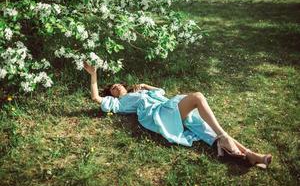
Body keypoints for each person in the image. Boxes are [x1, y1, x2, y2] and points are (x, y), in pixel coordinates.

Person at [84, 62, 272, 169]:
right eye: (113, 88)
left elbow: (160, 91)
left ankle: (250, 155)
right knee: (197, 97)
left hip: (167, 108)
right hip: (159, 115)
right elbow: (96, 97)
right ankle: (223, 138)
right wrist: (93, 74)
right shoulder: (119, 103)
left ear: (125, 85)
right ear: (113, 94)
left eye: (118, 84)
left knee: (206, 127)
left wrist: (145, 86)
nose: (116, 87)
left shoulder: (139, 92)